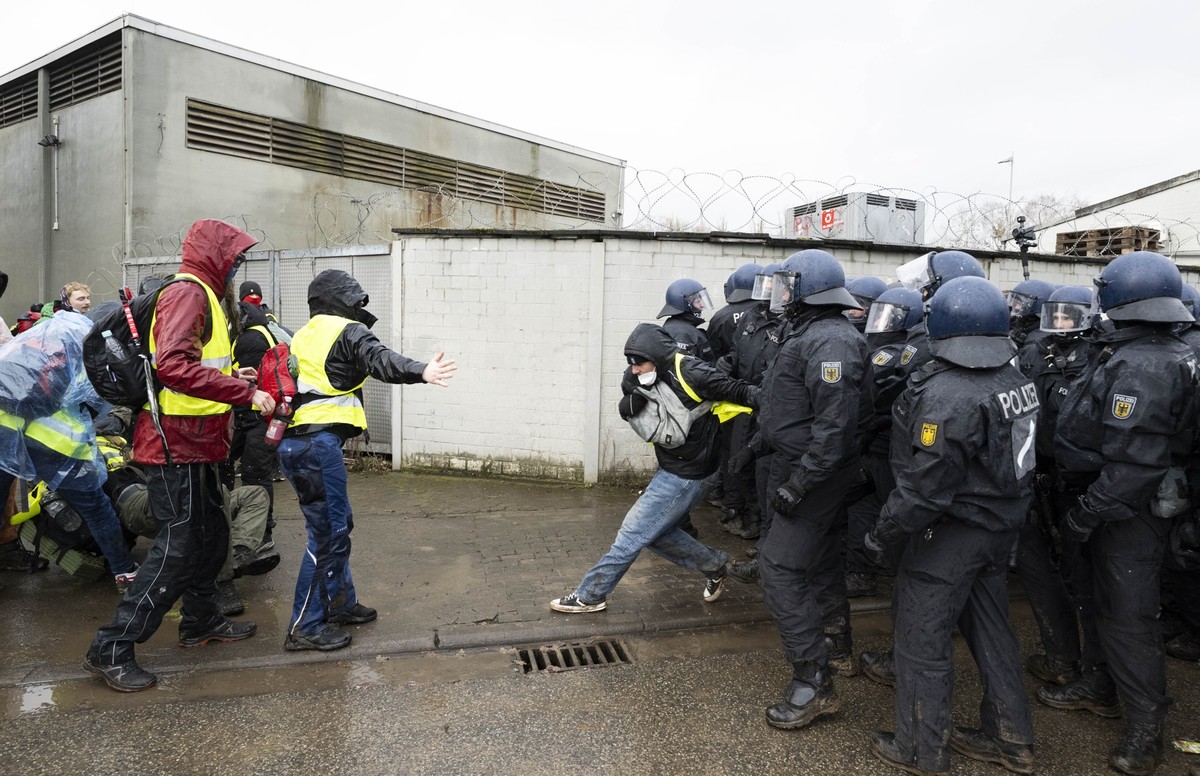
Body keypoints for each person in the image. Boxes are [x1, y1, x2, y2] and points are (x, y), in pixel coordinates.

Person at [86, 218, 274, 693]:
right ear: (217, 257)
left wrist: (237, 379)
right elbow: (173, 365)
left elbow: (193, 366)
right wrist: (243, 393)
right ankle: (111, 646)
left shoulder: (201, 294)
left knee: (211, 537)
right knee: (177, 548)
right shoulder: (190, 293)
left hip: (199, 443)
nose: (237, 266)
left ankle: (201, 621)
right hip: (178, 446)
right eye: (233, 258)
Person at [867, 276, 1037, 776]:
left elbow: (924, 489)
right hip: (1000, 527)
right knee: (992, 631)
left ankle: (922, 750)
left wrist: (884, 534)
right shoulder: (1016, 377)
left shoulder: (947, 392)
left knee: (921, 643)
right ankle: (1012, 739)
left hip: (951, 534)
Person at [1047, 251, 1199, 776]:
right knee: (1099, 601)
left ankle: (1145, 729)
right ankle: (1101, 685)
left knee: (1129, 616)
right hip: (1113, 499)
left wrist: (1086, 515)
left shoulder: (1146, 363)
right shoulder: (1146, 348)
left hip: (1124, 509)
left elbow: (1135, 465)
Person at [279, 269, 455, 652]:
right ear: (343, 299)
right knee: (327, 534)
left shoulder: (304, 333)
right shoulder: (345, 330)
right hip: (317, 445)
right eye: (356, 300)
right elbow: (380, 360)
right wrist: (422, 371)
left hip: (295, 444)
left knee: (336, 526)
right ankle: (305, 627)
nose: (361, 306)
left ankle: (340, 604)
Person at [550, 322, 758, 615]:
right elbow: (632, 388)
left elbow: (740, 391)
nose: (634, 369)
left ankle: (591, 595)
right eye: (630, 363)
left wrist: (785, 406)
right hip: (673, 467)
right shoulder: (637, 373)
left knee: (632, 534)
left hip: (690, 475)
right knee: (655, 534)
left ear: (658, 359)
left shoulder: (694, 372)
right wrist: (630, 400)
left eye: (640, 363)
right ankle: (715, 565)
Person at [754, 249, 867, 729]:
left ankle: (814, 680)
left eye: (787, 284)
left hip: (816, 474)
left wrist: (801, 483)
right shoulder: (812, 333)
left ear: (808, 289)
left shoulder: (831, 341)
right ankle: (836, 646)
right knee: (819, 561)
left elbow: (834, 427)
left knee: (779, 568)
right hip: (806, 468)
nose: (779, 294)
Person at [0, 312, 137, 588]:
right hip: (54, 439)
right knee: (96, 507)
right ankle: (125, 572)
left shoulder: (31, 345)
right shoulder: (86, 353)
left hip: (4, 431)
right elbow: (96, 401)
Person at [1013, 285, 1097, 688]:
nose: (1060, 323)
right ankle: (1064, 656)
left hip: (1078, 476)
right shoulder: (1034, 350)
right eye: (1056, 315)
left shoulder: (1099, 356)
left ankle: (1087, 669)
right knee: (1042, 563)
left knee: (1081, 572)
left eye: (1069, 316)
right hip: (1037, 469)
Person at [843, 286, 923, 599]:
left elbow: (881, 392)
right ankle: (860, 570)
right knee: (862, 510)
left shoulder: (903, 352)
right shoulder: (870, 344)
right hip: (871, 446)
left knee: (895, 512)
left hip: (891, 446)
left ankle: (899, 573)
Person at [1007, 277, 1056, 347]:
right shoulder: (1020, 325)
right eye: (1015, 302)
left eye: (1021, 303)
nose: (1017, 307)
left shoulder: (1039, 340)